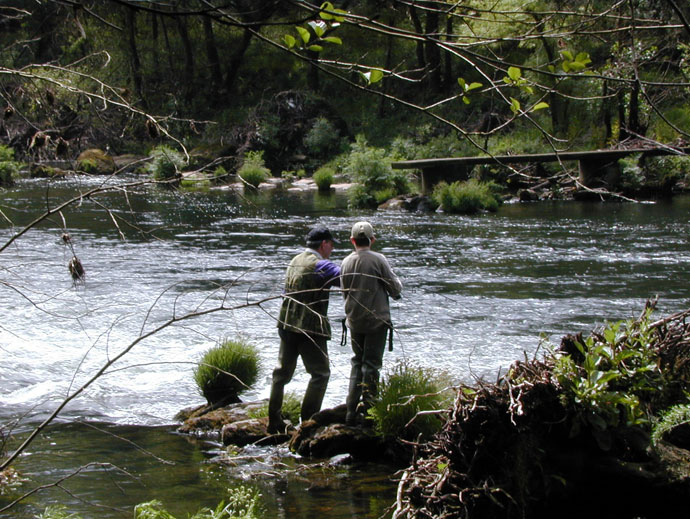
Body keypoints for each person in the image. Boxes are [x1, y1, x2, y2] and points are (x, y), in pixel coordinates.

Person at [268, 226, 341, 434]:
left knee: (281, 374)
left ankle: (274, 421)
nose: (332, 249)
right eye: (331, 244)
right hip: (310, 329)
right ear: (324, 244)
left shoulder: (294, 261)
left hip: (286, 324)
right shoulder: (322, 266)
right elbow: (347, 277)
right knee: (320, 374)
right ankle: (308, 423)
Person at [341, 221, 402, 425]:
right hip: (377, 322)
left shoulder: (345, 262)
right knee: (372, 365)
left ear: (352, 241)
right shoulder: (379, 259)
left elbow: (344, 292)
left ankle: (350, 411)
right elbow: (395, 288)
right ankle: (369, 410)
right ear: (372, 239)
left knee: (357, 362)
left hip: (354, 321)